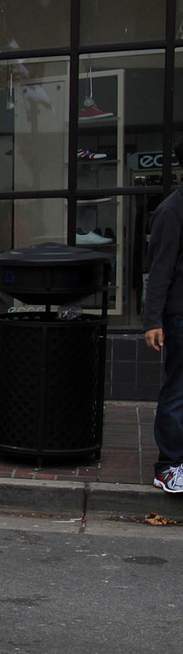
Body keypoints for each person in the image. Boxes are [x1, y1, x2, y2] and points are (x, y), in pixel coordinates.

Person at [144, 183, 183, 493]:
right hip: (179, 316)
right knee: (178, 389)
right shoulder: (171, 210)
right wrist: (153, 320)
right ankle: (168, 467)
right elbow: (160, 268)